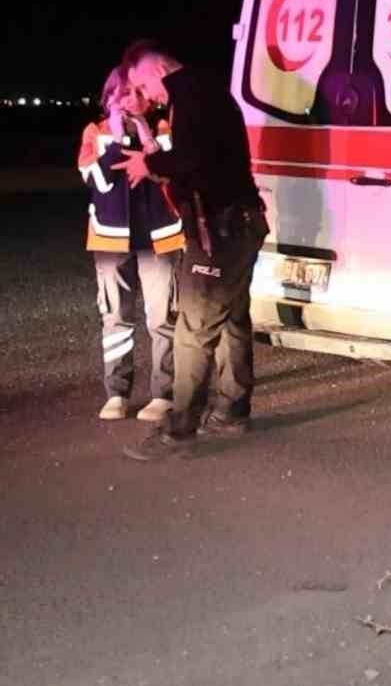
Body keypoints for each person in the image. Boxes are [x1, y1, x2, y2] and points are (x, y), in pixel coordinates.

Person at [113, 44, 268, 460]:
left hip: (219, 230)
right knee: (232, 320)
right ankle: (232, 411)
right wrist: (155, 154)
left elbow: (193, 159)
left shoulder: (193, 95)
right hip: (238, 225)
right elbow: (198, 157)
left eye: (142, 85)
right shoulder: (200, 92)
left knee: (193, 331)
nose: (147, 96)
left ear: (158, 70)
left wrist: (151, 166)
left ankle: (179, 432)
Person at [78, 66, 185, 422]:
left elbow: (173, 174)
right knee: (116, 317)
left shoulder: (164, 128)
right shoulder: (95, 132)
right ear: (108, 97)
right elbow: (97, 181)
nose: (132, 100)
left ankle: (164, 393)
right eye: (122, 93)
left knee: (163, 316)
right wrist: (117, 138)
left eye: (138, 92)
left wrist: (145, 135)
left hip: (161, 236)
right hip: (110, 237)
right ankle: (117, 392)